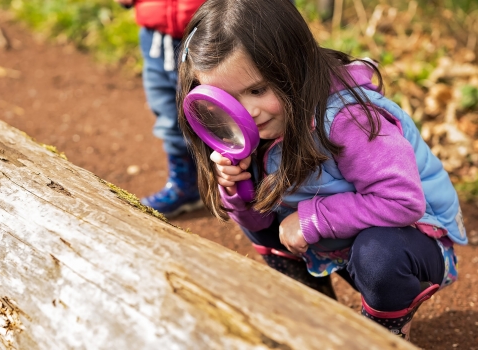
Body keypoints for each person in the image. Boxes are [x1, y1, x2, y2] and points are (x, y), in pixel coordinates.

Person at [176, 0, 468, 340]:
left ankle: (386, 330)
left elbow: (402, 202)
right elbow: (259, 222)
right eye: (227, 100)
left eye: (257, 90)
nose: (248, 113)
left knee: (378, 256)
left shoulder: (349, 118)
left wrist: (311, 219)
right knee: (263, 213)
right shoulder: (255, 128)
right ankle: (314, 314)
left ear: (294, 64)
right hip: (337, 239)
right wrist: (235, 190)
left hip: (412, 237)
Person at [114, 0, 206, 218]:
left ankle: (249, 191)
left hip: (210, 31)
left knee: (220, 112)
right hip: (155, 36)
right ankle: (185, 186)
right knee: (168, 112)